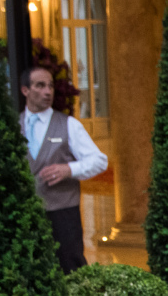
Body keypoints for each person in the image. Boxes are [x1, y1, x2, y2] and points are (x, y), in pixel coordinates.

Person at [19, 66, 108, 272]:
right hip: (27, 214)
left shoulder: (68, 125)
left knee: (70, 269)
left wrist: (69, 169)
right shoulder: (13, 127)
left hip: (63, 215)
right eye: (40, 86)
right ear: (25, 90)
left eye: (50, 86)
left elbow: (99, 160)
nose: (48, 91)